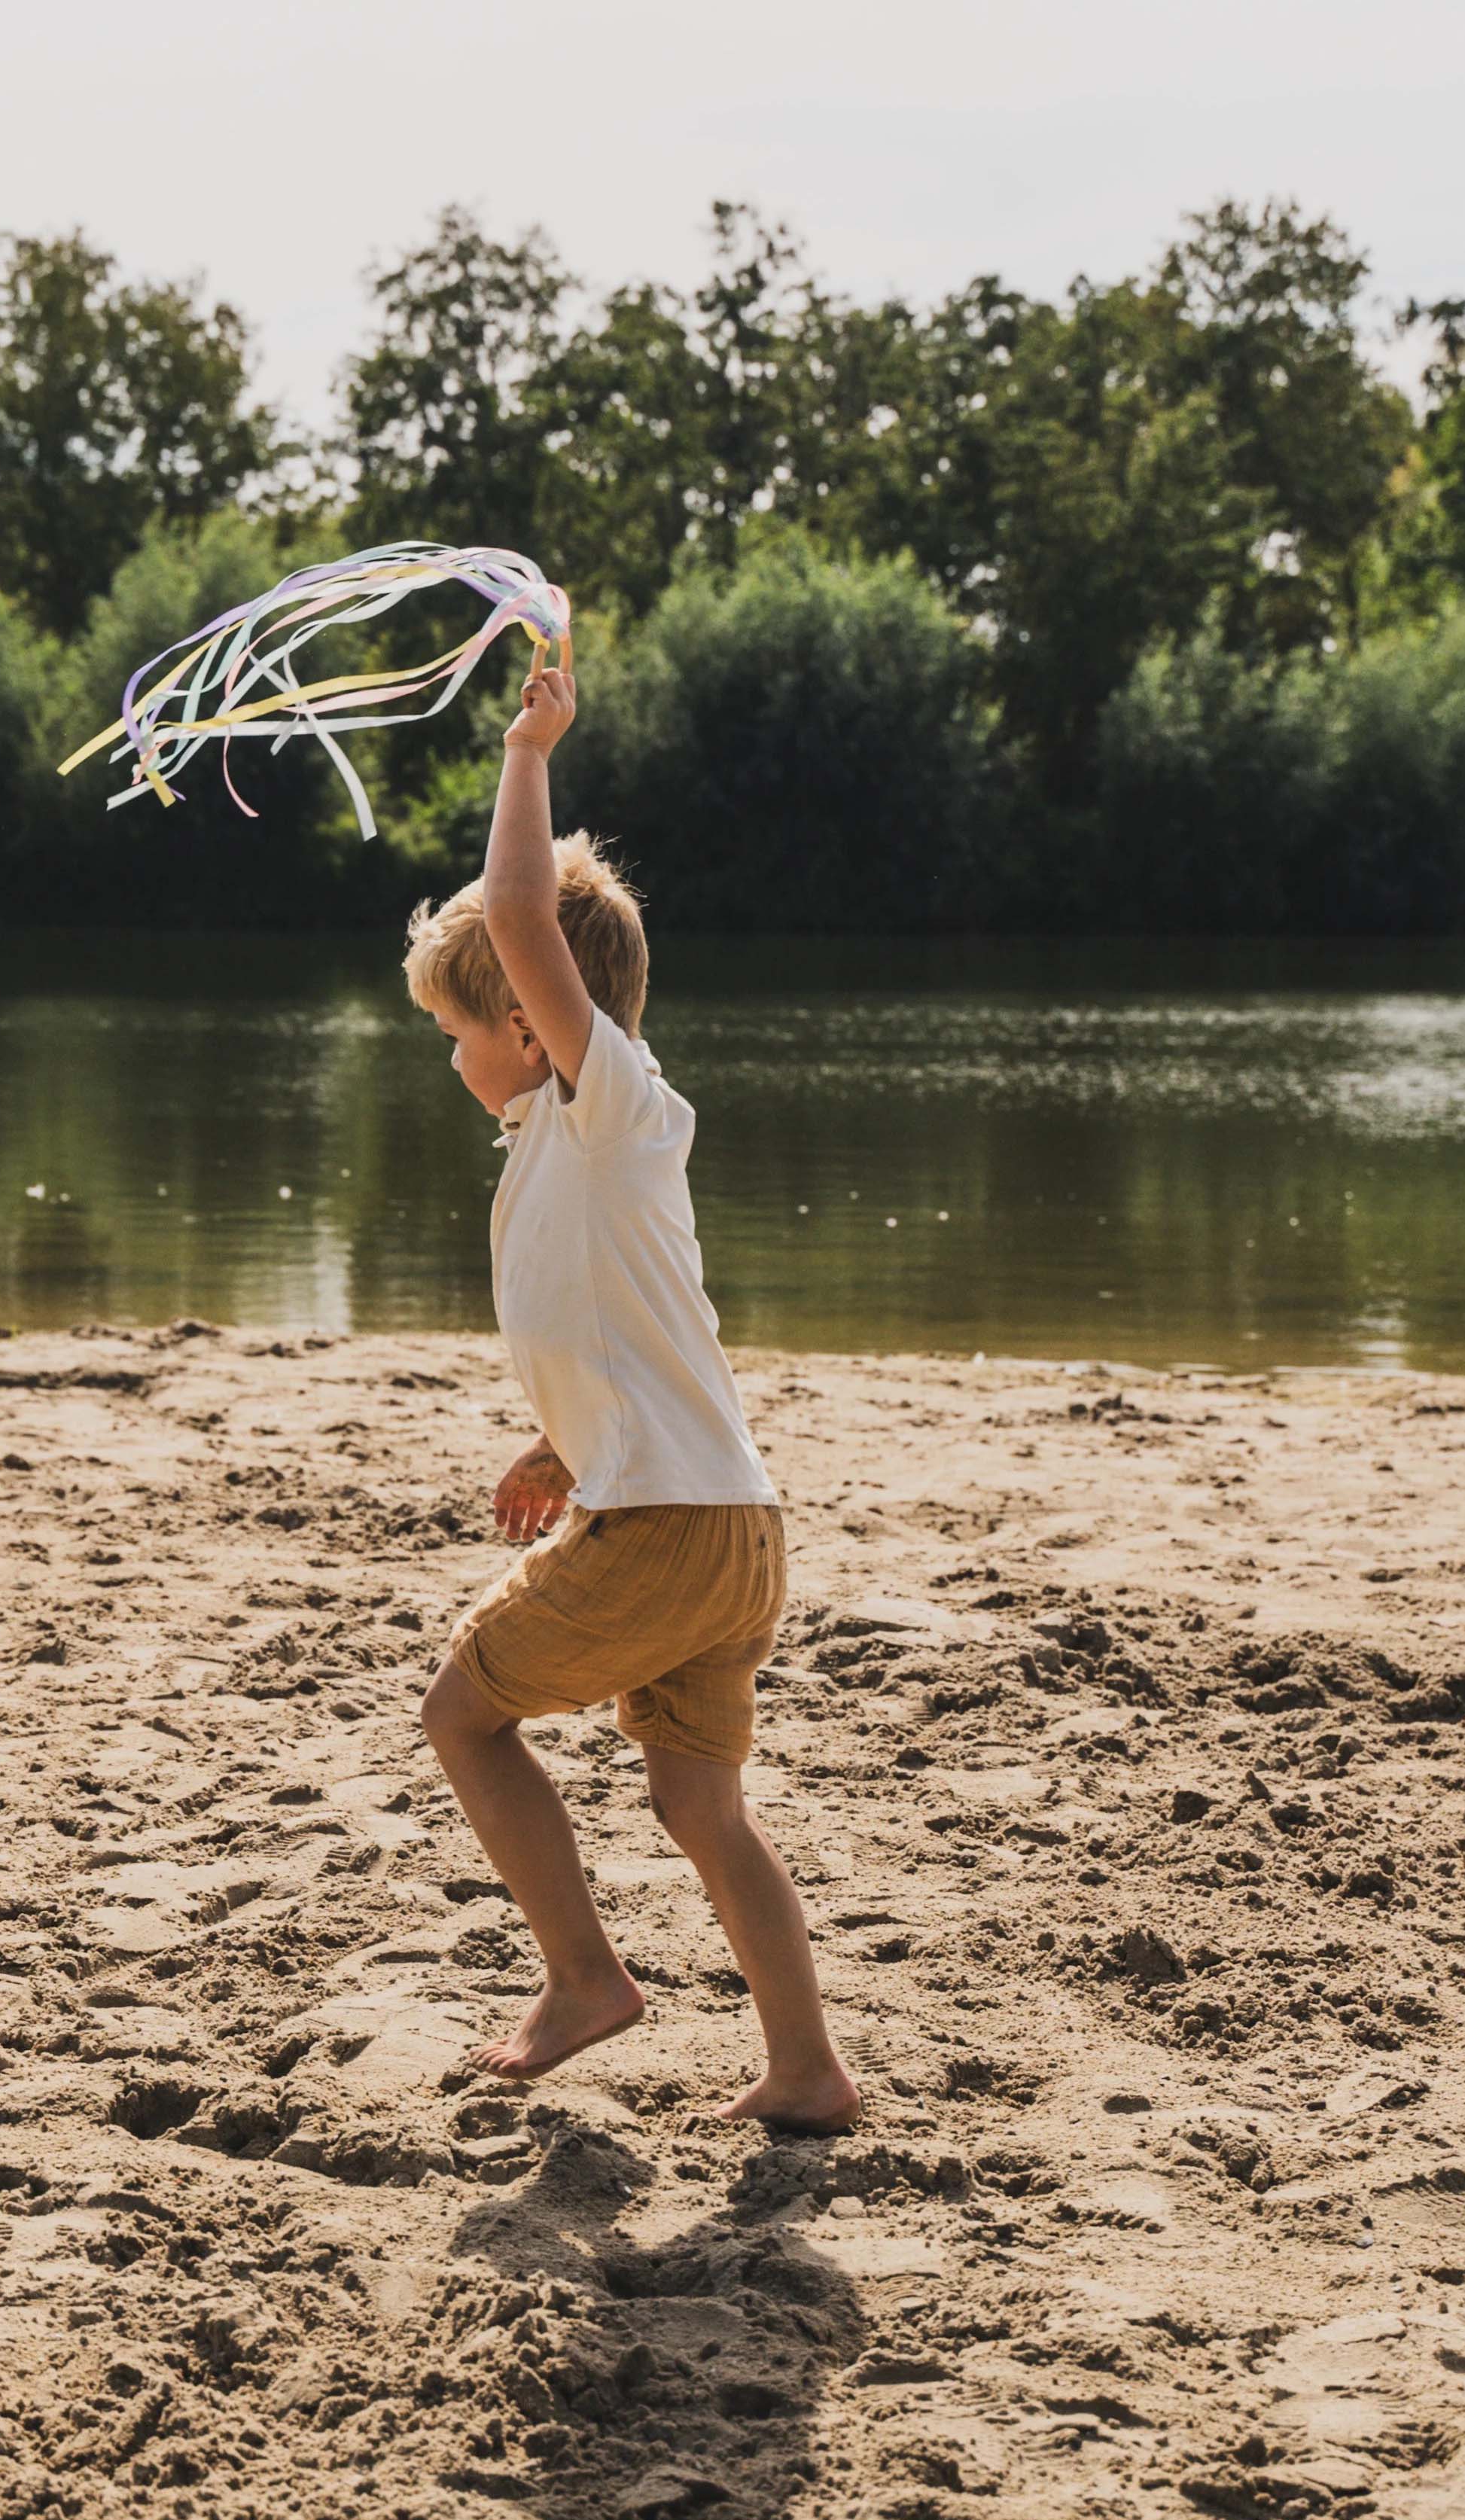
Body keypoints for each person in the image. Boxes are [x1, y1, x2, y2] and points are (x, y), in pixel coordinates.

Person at [403, 654, 859, 2130]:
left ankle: (584, 1975)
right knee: (696, 1805)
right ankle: (804, 2070)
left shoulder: (611, 1104)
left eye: (459, 1029)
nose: (454, 1054)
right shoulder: (557, 1142)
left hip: (670, 1532)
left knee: (462, 1716)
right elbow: (617, 1330)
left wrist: (529, 750)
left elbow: (525, 916)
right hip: (720, 1524)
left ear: (536, 1026)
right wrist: (559, 1439)